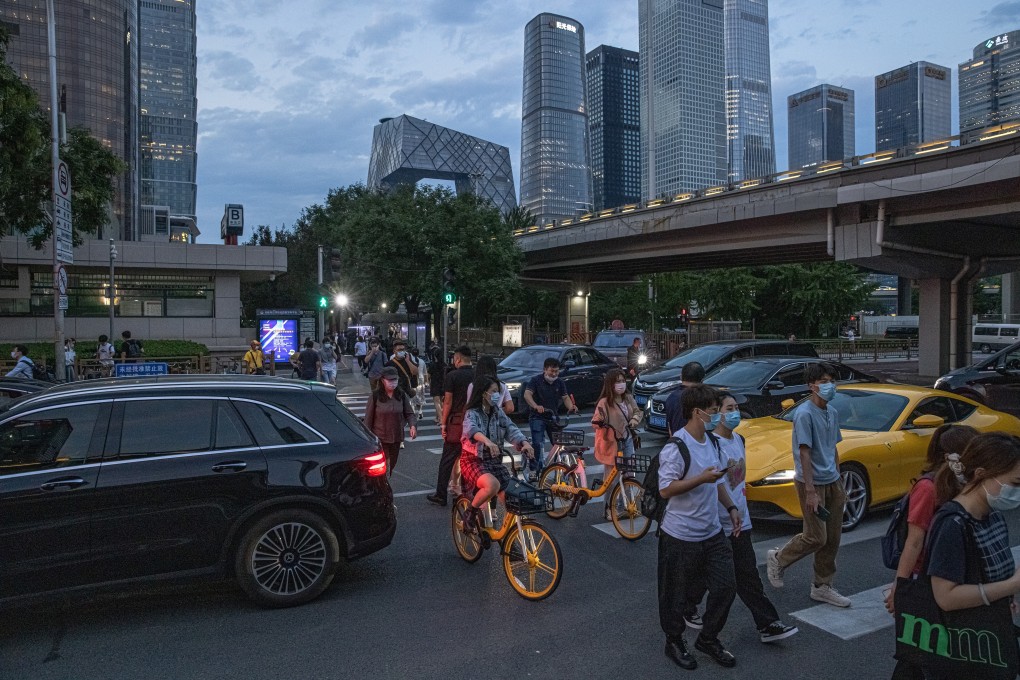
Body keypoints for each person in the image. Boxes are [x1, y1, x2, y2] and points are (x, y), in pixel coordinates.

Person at [686, 392, 799, 644]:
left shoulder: (739, 439)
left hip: (740, 519)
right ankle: (692, 612)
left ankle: (767, 624)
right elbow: (716, 485)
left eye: (736, 407)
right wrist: (729, 510)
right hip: (719, 522)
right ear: (717, 413)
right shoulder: (711, 444)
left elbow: (737, 483)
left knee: (746, 576)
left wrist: (740, 511)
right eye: (727, 408)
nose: (734, 412)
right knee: (719, 576)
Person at [920, 432, 1020, 680]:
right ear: (981, 475)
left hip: (992, 641)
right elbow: (945, 597)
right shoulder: (952, 524)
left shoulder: (992, 515)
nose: (1017, 492)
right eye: (1015, 483)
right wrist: (1010, 585)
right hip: (965, 652)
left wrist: (1005, 598)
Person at [884, 424, 979, 680]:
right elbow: (914, 542)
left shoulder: (965, 484)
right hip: (924, 581)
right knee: (916, 654)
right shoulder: (928, 488)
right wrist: (900, 588)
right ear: (956, 455)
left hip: (950, 576)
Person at [657, 385, 738, 670]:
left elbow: (716, 481)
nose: (718, 417)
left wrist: (730, 507)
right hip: (680, 535)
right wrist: (699, 479)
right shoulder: (676, 447)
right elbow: (666, 489)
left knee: (727, 586)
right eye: (714, 412)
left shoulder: (713, 443)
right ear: (697, 412)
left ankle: (708, 638)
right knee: (675, 596)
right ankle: (674, 641)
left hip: (712, 532)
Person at [766, 362, 851, 607]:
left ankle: (822, 586)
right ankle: (779, 558)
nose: (829, 386)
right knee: (816, 536)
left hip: (832, 480)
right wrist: (811, 491)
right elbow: (805, 453)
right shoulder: (804, 414)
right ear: (811, 386)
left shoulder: (831, 412)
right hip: (809, 483)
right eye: (823, 382)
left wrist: (838, 478)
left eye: (831, 381)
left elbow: (833, 447)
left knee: (833, 538)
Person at [458, 376, 535, 531]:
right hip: (473, 460)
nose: (497, 395)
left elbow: (511, 428)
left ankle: (509, 536)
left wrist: (524, 443)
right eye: (494, 391)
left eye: (498, 392)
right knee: (493, 485)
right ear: (483, 393)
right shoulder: (471, 412)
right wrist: (487, 441)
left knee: (512, 497)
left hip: (493, 460)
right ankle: (470, 514)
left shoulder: (497, 412)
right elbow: (471, 430)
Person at [592, 368, 642, 520]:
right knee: (612, 478)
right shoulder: (605, 402)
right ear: (610, 384)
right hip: (611, 443)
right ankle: (609, 509)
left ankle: (627, 505)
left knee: (628, 474)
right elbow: (596, 420)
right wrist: (601, 423)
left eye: (623, 381)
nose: (621, 384)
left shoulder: (628, 398)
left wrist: (634, 421)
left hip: (626, 440)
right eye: (617, 381)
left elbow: (637, 412)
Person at [427, 346, 474, 507]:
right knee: (470, 459)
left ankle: (441, 494)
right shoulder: (477, 376)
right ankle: (466, 492)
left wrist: (443, 423)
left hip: (456, 423)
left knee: (447, 459)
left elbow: (447, 401)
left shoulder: (452, 376)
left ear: (458, 359)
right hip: (473, 423)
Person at [523, 357, 578, 481]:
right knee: (538, 444)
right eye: (551, 371)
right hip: (537, 417)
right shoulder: (535, 381)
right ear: (544, 370)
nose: (554, 374)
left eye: (556, 371)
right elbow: (527, 394)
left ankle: (553, 467)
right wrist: (536, 406)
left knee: (559, 444)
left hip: (553, 417)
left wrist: (571, 407)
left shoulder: (560, 383)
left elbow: (565, 397)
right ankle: (533, 469)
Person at [364, 366, 417, 474]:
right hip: (380, 437)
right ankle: (383, 486)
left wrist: (413, 426)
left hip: (396, 437)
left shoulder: (401, 395)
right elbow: (368, 419)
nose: (393, 382)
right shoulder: (375, 396)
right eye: (390, 380)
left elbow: (410, 413)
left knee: (392, 463)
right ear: (383, 380)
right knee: (385, 463)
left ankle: (385, 482)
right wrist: (368, 439)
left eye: (395, 380)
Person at [664, 362, 706, 435]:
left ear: (681, 377)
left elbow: (669, 427)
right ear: (702, 380)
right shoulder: (702, 398)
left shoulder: (671, 397)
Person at [426, 341, 445, 419]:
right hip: (443, 384)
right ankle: (437, 417)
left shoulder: (432, 365)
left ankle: (441, 419)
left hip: (435, 384)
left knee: (437, 402)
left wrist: (428, 383)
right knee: (441, 401)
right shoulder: (444, 365)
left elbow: (428, 376)